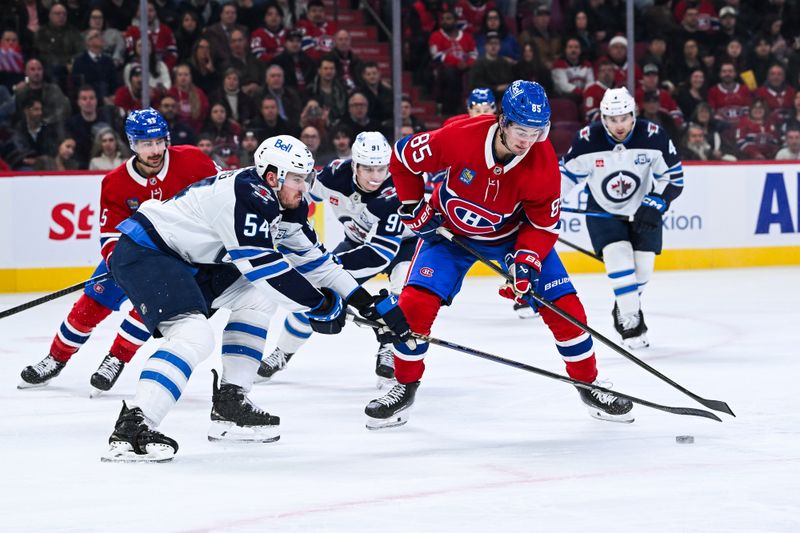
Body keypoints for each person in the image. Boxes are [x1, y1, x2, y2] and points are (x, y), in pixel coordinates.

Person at [101, 134, 412, 462]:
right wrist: (321, 305)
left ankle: (231, 402)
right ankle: (132, 428)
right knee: (193, 336)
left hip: (190, 259)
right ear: (272, 176)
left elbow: (316, 261)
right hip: (147, 251)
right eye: (296, 179)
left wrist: (363, 302)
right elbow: (264, 267)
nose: (304, 187)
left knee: (257, 297)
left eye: (306, 178)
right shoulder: (245, 196)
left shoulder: (287, 202)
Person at [364, 80, 634, 430]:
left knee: (568, 310)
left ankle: (589, 384)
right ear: (502, 121)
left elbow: (542, 226)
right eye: (521, 130)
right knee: (414, 306)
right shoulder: (459, 136)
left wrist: (526, 261)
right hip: (449, 234)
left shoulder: (543, 162)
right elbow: (401, 157)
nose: (528, 141)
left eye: (538, 131)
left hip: (511, 238)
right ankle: (404, 386)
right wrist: (413, 205)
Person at [18, 109, 219, 393]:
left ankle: (115, 359)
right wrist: (119, 264)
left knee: (148, 308)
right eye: (147, 143)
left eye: (160, 141)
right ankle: (55, 358)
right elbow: (110, 235)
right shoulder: (115, 182)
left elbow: (224, 191)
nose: (155, 150)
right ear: (133, 144)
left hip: (176, 258)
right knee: (90, 306)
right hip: (130, 256)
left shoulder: (193, 160)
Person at [256, 132, 418, 387]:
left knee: (401, 301)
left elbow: (380, 255)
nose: (377, 176)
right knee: (317, 296)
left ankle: (389, 347)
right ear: (354, 164)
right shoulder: (333, 175)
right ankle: (282, 353)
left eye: (382, 168)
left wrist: (328, 265)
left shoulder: (394, 191)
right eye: (369, 168)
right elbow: (300, 197)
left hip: (406, 248)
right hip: (356, 243)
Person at [560, 88, 684, 349]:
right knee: (619, 262)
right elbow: (564, 177)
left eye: (625, 118)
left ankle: (625, 304)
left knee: (644, 268)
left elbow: (673, 178)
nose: (620, 125)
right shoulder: (586, 139)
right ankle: (630, 321)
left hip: (643, 210)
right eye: (613, 119)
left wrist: (656, 202)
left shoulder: (652, 135)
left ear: (633, 114)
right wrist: (551, 202)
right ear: (603, 117)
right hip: (602, 211)